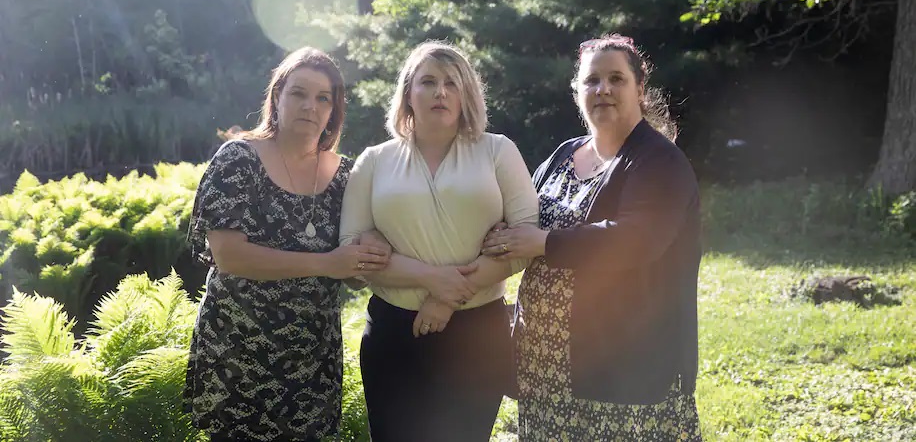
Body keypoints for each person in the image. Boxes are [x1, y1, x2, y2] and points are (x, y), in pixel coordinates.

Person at [481, 33, 703, 441]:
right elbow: (521, 217)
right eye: (592, 80)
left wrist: (542, 243)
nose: (603, 89)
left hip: (619, 364)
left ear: (639, 88)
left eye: (616, 79)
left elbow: (637, 240)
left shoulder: (658, 160)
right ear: (577, 91)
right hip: (545, 361)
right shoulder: (566, 153)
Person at [183, 47, 391, 442]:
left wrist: (367, 257)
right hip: (239, 351)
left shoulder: (349, 176)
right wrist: (328, 263)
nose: (309, 106)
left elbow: (356, 270)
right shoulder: (239, 159)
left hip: (312, 357)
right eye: (298, 93)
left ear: (334, 110)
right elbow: (229, 256)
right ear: (277, 97)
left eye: (322, 98)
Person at [339, 41, 539, 442]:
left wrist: (447, 297)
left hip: (477, 334)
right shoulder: (374, 161)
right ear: (408, 94)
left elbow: (527, 240)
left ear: (467, 94)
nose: (440, 92)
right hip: (394, 334)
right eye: (427, 82)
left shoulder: (498, 151)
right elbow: (350, 258)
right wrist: (432, 279)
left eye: (451, 82)